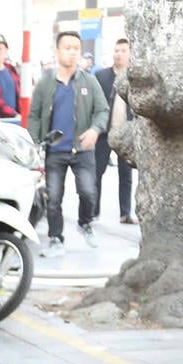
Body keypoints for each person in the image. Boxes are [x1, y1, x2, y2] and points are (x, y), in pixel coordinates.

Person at [27, 31, 109, 257]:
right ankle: (56, 238)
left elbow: (102, 110)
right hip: (54, 150)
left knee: (88, 192)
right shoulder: (45, 83)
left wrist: (94, 130)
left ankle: (85, 223)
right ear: (57, 51)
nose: (72, 52)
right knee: (53, 198)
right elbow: (33, 116)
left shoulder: (89, 81)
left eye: (76, 48)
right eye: (67, 48)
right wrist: (35, 143)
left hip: (82, 150)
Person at [93, 38, 136, 224]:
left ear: (130, 54)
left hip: (126, 134)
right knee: (96, 172)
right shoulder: (102, 76)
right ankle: (93, 211)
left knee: (125, 176)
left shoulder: (135, 78)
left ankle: (125, 213)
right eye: (116, 50)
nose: (118, 54)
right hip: (104, 132)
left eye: (123, 51)